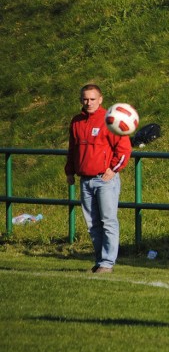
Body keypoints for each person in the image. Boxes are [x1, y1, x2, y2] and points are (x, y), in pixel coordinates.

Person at [65, 84, 132, 273]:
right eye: (85, 99)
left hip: (104, 180)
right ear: (81, 100)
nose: (88, 102)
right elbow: (73, 149)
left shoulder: (110, 120)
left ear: (100, 99)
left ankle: (107, 263)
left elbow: (124, 149)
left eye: (92, 99)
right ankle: (100, 260)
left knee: (108, 221)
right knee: (92, 224)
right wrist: (69, 171)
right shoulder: (76, 121)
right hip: (85, 180)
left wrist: (113, 169)